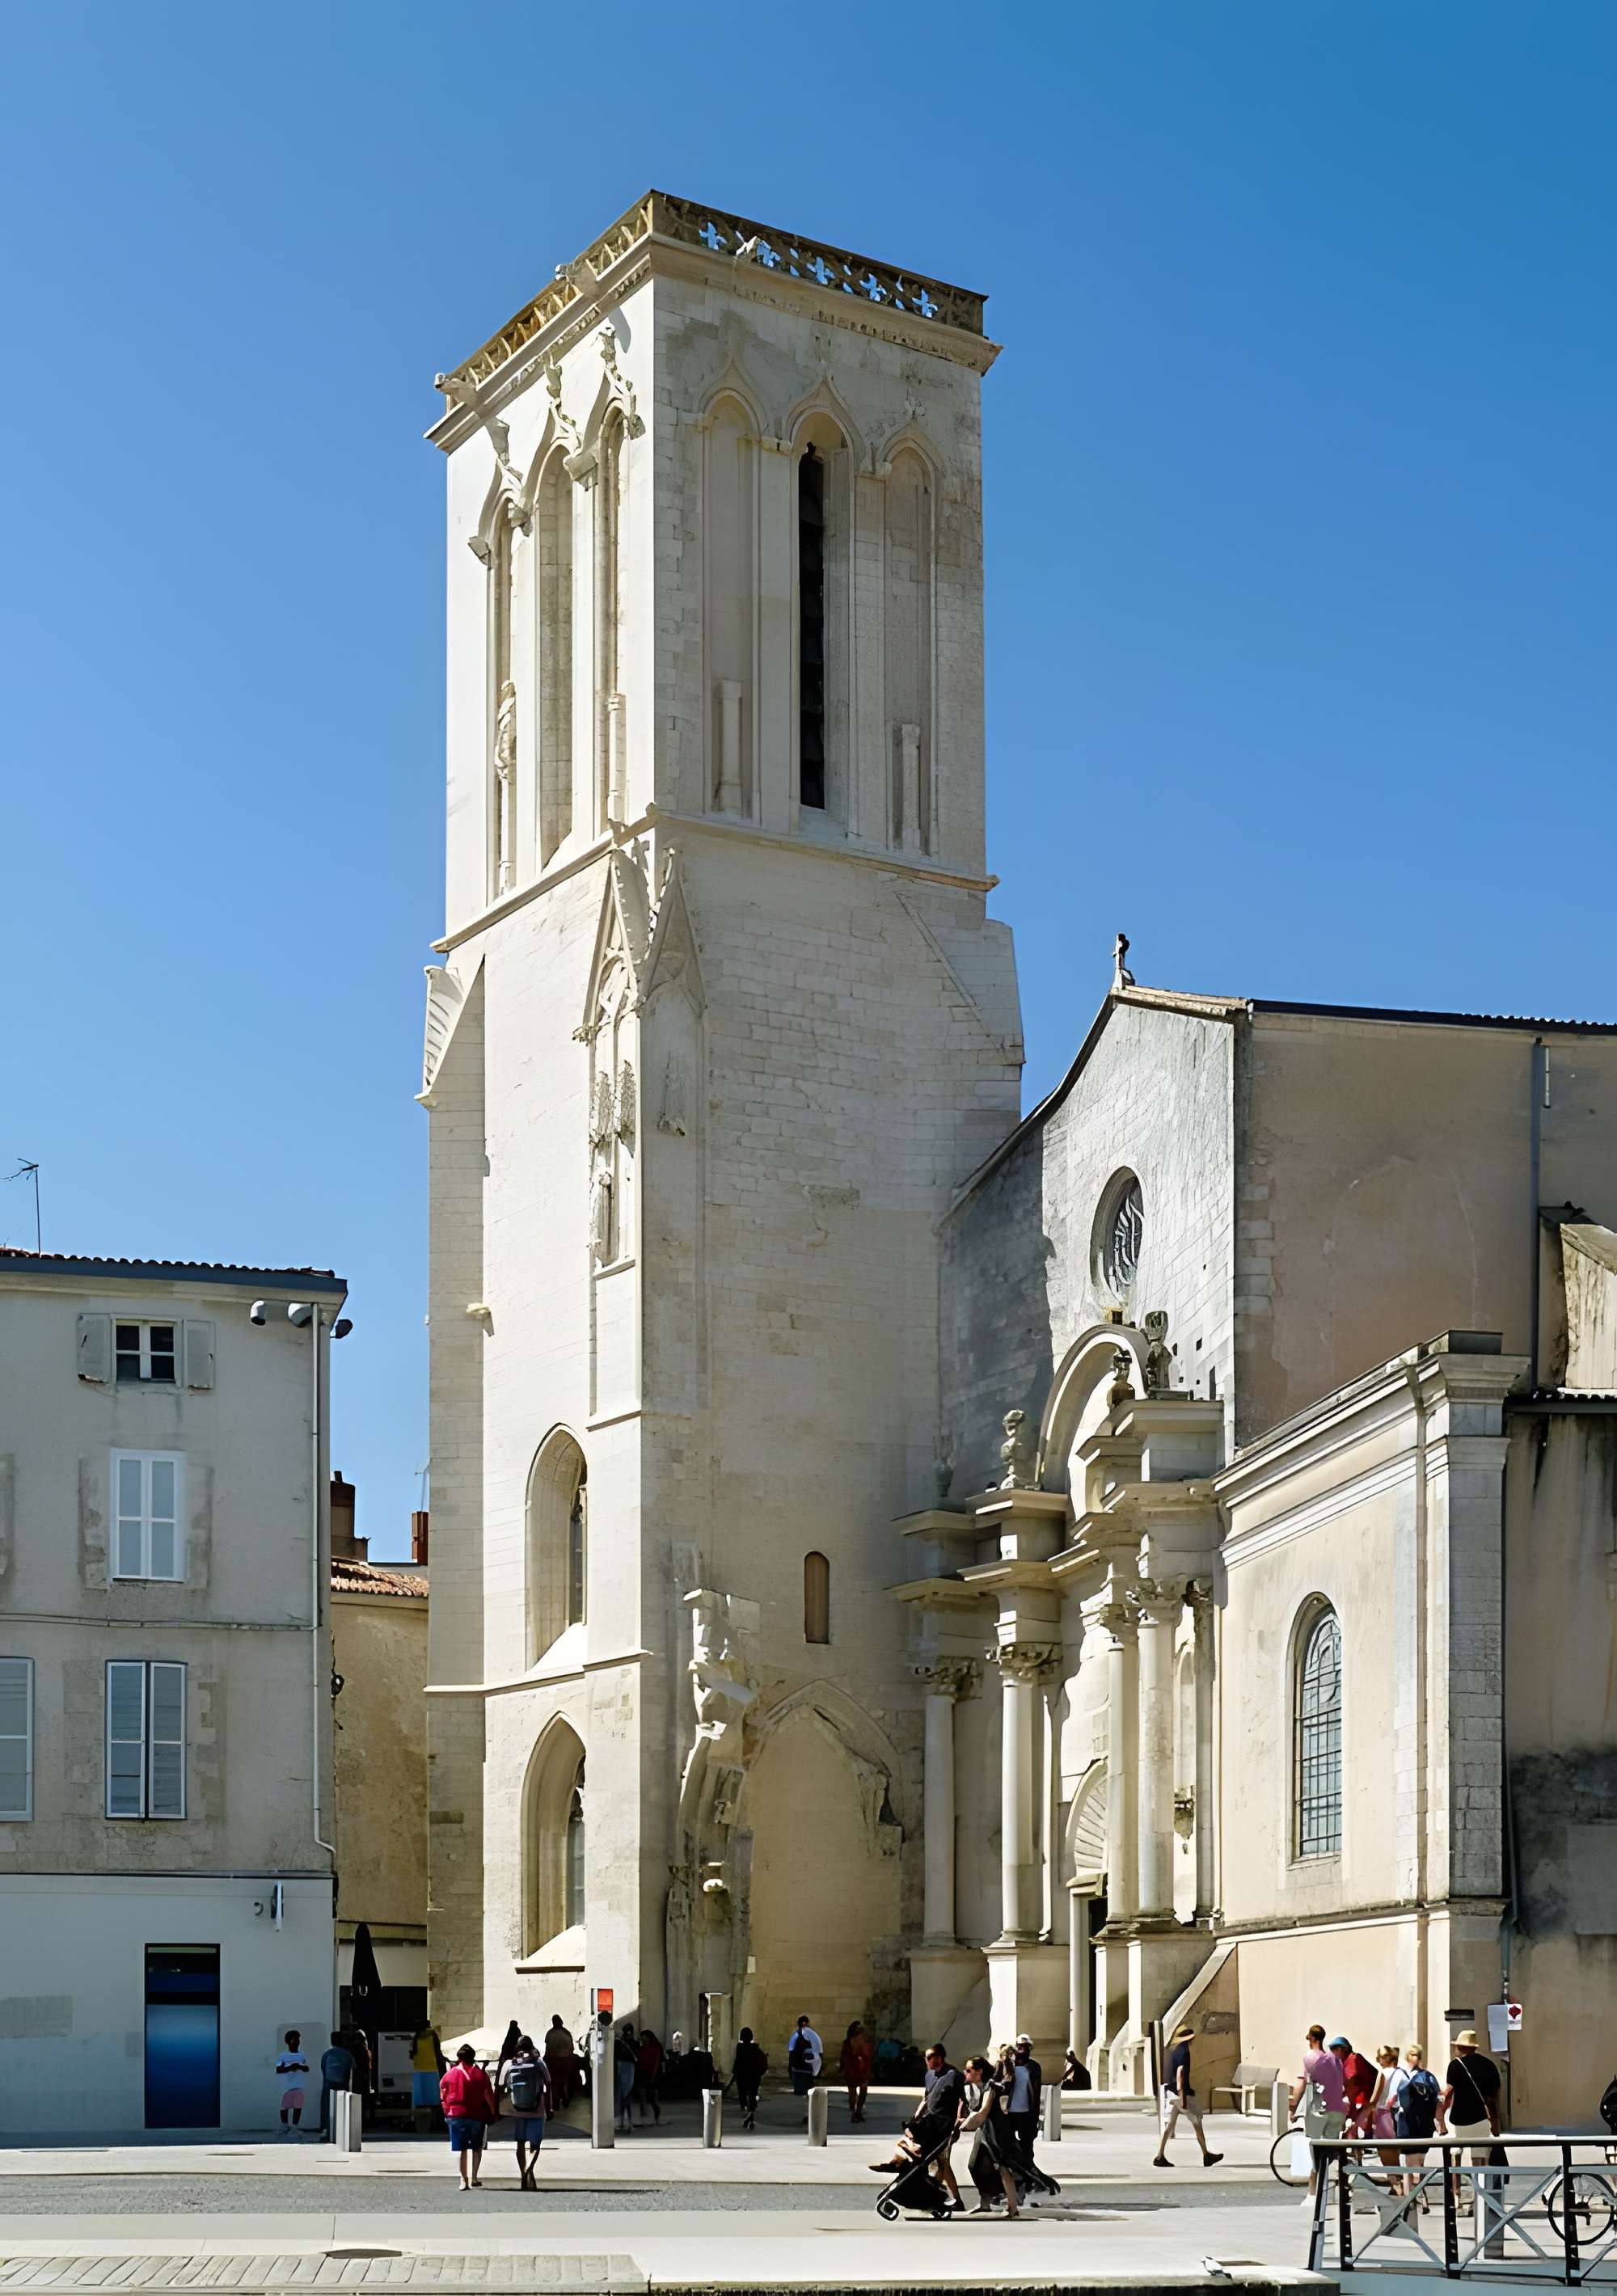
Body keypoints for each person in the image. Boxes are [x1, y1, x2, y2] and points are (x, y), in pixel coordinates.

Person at [868, 2044, 965, 2209]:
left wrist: (958, 2122)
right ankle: (945, 2196)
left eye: (928, 2058)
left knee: (941, 2162)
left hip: (943, 2126)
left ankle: (942, 2196)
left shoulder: (953, 2075)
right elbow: (926, 2100)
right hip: (929, 2123)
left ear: (939, 2058)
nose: (925, 2061)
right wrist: (915, 2118)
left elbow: (962, 2100)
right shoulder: (930, 2076)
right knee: (939, 2161)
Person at [1442, 2030, 1502, 2216]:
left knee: (1456, 2158)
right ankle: (1479, 2200)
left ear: (1460, 2047)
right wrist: (1496, 2122)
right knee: (1479, 2162)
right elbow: (1494, 2098)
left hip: (1459, 2119)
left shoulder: (1455, 2065)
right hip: (1481, 2120)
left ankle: (1457, 2197)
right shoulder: (1489, 2065)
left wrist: (1440, 2117)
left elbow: (1448, 2094)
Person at [1153, 2020, 1224, 2170]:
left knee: (1169, 2126)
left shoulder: (1176, 2051)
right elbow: (1180, 2074)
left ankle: (1160, 2155)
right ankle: (1206, 2155)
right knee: (1197, 2122)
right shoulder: (1185, 2052)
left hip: (1172, 2093)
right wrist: (1183, 2096)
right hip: (1182, 2094)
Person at [1289, 2024, 1348, 2202]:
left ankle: (1313, 2192)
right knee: (1331, 2148)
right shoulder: (1333, 2059)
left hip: (1318, 2107)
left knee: (1314, 2146)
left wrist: (1293, 2105)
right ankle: (1343, 2180)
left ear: (1313, 2038)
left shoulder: (1309, 2057)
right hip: (1336, 2108)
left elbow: (1303, 2082)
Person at [959, 2054, 1020, 2218]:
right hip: (984, 2130)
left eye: (969, 2070)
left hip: (996, 2130)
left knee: (1002, 2167)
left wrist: (965, 2126)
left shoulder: (989, 2087)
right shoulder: (978, 2087)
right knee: (974, 2165)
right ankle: (985, 2203)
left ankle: (1013, 2208)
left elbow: (983, 2112)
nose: (966, 2073)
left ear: (978, 2072)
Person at [440, 2042, 498, 2189]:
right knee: (477, 2147)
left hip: (456, 2115)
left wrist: (446, 2111)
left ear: (459, 2058)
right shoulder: (480, 2074)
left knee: (461, 2148)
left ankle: (463, 2179)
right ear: (473, 2058)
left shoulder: (451, 2073)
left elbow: (443, 2093)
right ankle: (474, 2177)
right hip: (477, 2115)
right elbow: (488, 2096)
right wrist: (493, 2112)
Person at [1393, 2045, 1443, 2201]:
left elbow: (1393, 2099)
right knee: (1420, 2161)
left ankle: (1411, 2196)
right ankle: (1420, 2192)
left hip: (1406, 2122)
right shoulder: (1428, 2076)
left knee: (1409, 2162)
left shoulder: (1401, 2075)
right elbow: (1438, 2098)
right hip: (1424, 2122)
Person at [500, 2035, 551, 2190]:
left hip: (518, 2111)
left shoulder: (511, 2063)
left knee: (520, 2144)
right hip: (537, 2110)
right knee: (535, 2145)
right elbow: (548, 2082)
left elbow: (502, 2084)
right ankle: (528, 2169)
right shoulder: (539, 2062)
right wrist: (550, 2108)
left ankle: (524, 2175)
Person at [1004, 2036, 1042, 2188]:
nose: (1023, 2050)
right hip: (1009, 2113)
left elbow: (1037, 2093)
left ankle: (1028, 2177)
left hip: (1026, 2113)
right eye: (1020, 2046)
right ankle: (1013, 2175)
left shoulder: (1033, 2067)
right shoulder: (1008, 2066)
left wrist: (1035, 2117)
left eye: (1026, 2047)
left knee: (1027, 2146)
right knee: (1008, 2146)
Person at [1335, 2036, 1377, 2138]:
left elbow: (1350, 2080)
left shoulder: (1353, 2058)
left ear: (1343, 2049)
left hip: (1363, 2100)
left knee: (1358, 2127)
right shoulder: (1345, 2061)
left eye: (1335, 2050)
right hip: (1360, 2100)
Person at [319, 2029, 356, 2142]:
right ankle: (342, 2130)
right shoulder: (348, 2056)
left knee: (327, 2108)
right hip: (343, 2086)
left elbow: (323, 2070)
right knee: (343, 2109)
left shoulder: (327, 2055)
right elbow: (352, 2071)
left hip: (328, 2086)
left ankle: (326, 2129)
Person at [276, 2029, 310, 2134]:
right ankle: (284, 2125)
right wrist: (291, 2067)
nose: (299, 2042)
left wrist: (301, 2067)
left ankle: (295, 2126)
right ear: (291, 2041)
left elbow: (306, 2068)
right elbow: (278, 2070)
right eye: (297, 2039)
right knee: (284, 2107)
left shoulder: (302, 2055)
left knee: (298, 2106)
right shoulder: (282, 2056)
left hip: (299, 2085)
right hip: (287, 2086)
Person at [840, 2020, 874, 2124]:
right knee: (856, 2092)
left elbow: (844, 2058)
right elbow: (866, 2055)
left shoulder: (848, 2043)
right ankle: (856, 2113)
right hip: (856, 2069)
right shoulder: (853, 2044)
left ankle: (857, 2112)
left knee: (855, 2093)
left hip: (857, 2069)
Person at [543, 2015, 578, 2109]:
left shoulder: (550, 2033)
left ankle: (556, 2103)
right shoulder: (566, 2033)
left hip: (553, 2061)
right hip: (565, 2062)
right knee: (565, 2081)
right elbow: (572, 2049)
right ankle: (566, 2100)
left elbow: (547, 2050)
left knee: (554, 2083)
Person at [787, 2015, 823, 2101]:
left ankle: (810, 2110)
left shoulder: (796, 2034)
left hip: (799, 2067)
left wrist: (790, 2068)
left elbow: (791, 2051)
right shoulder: (814, 2034)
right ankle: (811, 2109)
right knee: (810, 2089)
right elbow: (820, 2051)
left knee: (802, 2090)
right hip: (811, 2067)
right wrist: (818, 2071)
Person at [635, 2028, 664, 2124]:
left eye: (645, 2038)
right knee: (642, 2096)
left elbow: (657, 2063)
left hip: (654, 2076)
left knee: (654, 2097)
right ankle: (645, 2117)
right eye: (642, 2038)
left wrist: (653, 2077)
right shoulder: (641, 2048)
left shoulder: (656, 2047)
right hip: (643, 2075)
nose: (643, 2040)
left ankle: (656, 2118)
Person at [614, 2024, 639, 2133]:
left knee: (626, 2095)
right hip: (623, 2069)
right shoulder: (620, 2043)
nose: (628, 2034)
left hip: (628, 2069)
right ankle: (623, 2121)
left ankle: (626, 2121)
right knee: (622, 2095)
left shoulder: (631, 2044)